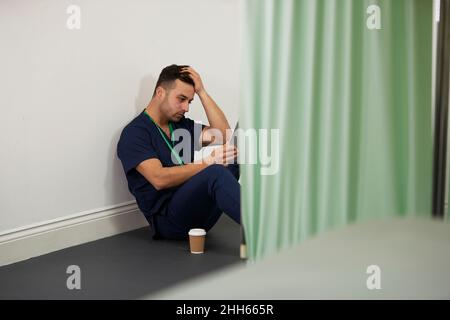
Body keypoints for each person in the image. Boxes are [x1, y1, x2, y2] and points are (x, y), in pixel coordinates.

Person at [117, 64, 240, 240]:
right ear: (160, 93)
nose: (186, 108)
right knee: (215, 172)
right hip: (170, 222)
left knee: (237, 152)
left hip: (199, 214)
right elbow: (159, 178)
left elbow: (223, 135)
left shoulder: (181, 125)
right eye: (181, 99)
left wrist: (202, 92)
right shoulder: (135, 133)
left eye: (189, 101)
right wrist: (208, 162)